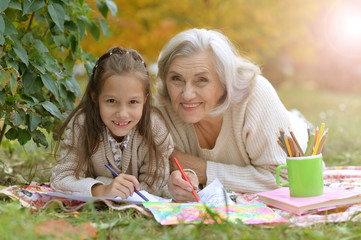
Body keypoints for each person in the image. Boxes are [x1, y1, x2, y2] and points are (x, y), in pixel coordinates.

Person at [155, 28, 308, 202]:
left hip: (295, 133)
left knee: (296, 126)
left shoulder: (255, 94)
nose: (187, 94)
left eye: (202, 80)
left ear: (224, 81)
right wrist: (174, 185)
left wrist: (204, 170)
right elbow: (154, 176)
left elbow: (283, 179)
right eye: (176, 78)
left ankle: (296, 117)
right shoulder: (163, 109)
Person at [51, 47, 173, 199]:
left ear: (145, 99)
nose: (122, 113)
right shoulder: (82, 124)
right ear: (95, 97)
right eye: (111, 101)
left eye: (133, 102)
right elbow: (62, 178)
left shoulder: (155, 127)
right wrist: (101, 189)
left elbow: (156, 183)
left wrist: (119, 190)